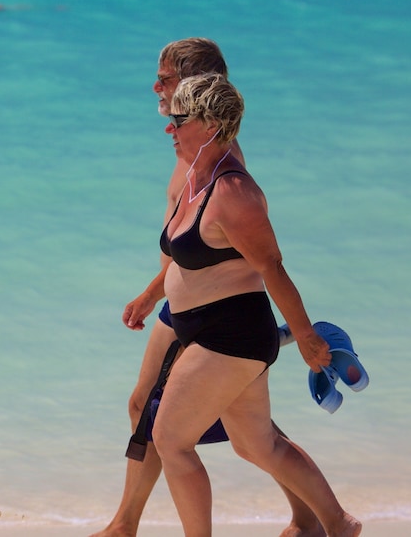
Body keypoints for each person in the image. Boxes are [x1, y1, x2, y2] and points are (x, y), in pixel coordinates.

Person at [92, 38, 323, 537]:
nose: (157, 89)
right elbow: (183, 240)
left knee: (187, 426)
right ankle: (125, 522)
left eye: (167, 79)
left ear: (200, 90)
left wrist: (303, 334)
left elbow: (258, 257)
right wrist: (154, 291)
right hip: (184, 303)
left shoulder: (222, 166)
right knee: (181, 415)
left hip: (215, 314)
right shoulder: (192, 149)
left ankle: (126, 525)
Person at [144, 73, 361, 535]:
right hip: (215, 334)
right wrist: (149, 296)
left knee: (170, 439)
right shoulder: (196, 179)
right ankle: (339, 524)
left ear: (208, 124)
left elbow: (273, 268)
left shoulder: (232, 193)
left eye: (179, 120)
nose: (169, 128)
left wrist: (304, 335)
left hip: (230, 336)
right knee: (256, 443)